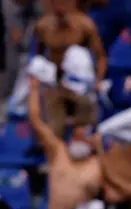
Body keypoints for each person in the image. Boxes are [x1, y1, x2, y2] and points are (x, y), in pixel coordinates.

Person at [28, 78, 102, 209]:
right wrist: (34, 88)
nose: (78, 141)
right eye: (76, 137)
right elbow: (36, 121)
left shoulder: (99, 164)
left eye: (83, 138)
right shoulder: (59, 152)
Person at [32, 0, 106, 137]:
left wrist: (98, 80)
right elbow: (38, 57)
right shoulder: (42, 26)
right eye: (57, 3)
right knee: (53, 127)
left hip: (79, 83)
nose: (61, 6)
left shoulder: (85, 25)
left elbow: (101, 57)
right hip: (55, 82)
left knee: (85, 118)